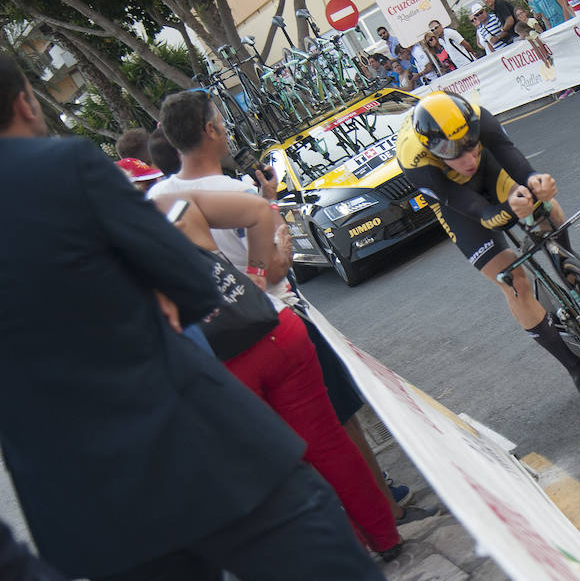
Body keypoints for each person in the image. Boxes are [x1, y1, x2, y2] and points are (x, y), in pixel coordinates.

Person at [0, 54, 386, 581]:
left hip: (84, 517)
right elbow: (190, 280)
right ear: (24, 103)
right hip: (204, 449)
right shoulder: (63, 168)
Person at [147, 90, 431, 527]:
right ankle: (385, 510)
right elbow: (274, 272)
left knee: (289, 441)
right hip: (277, 319)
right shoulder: (236, 192)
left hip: (219, 338)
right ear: (209, 131)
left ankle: (344, 517)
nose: (225, 128)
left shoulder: (162, 196)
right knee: (339, 424)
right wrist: (273, 223)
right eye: (220, 120)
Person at [149, 188, 405, 558]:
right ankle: (386, 537)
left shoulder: (98, 254)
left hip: (223, 364)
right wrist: (256, 273)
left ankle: (350, 553)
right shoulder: (174, 205)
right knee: (329, 443)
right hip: (272, 328)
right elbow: (257, 209)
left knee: (289, 466)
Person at [396, 91, 580, 408]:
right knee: (512, 282)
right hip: (455, 201)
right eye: (455, 154)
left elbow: (513, 160)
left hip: (492, 169)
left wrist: (537, 182)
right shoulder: (415, 160)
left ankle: (570, 266)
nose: (467, 159)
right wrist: (505, 212)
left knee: (547, 210)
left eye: (471, 144)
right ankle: (576, 367)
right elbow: (476, 210)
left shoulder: (478, 117)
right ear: (433, 150)